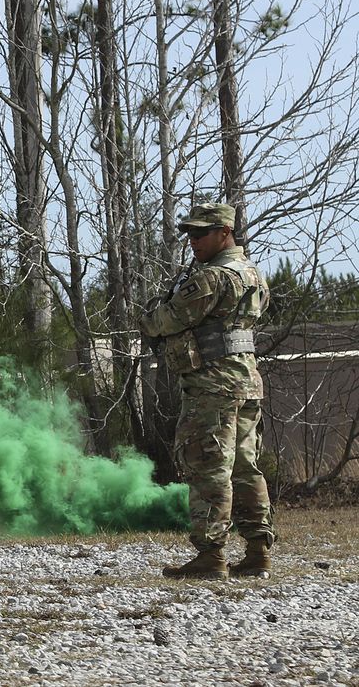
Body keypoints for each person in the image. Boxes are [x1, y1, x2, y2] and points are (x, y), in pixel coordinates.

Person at [140, 202, 274, 580]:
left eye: (201, 234)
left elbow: (163, 321)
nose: (193, 241)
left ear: (224, 233)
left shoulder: (212, 278)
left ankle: (211, 555)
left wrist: (150, 317)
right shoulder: (252, 274)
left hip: (212, 384)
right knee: (246, 466)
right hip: (246, 381)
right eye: (190, 234)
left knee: (208, 465)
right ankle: (257, 550)